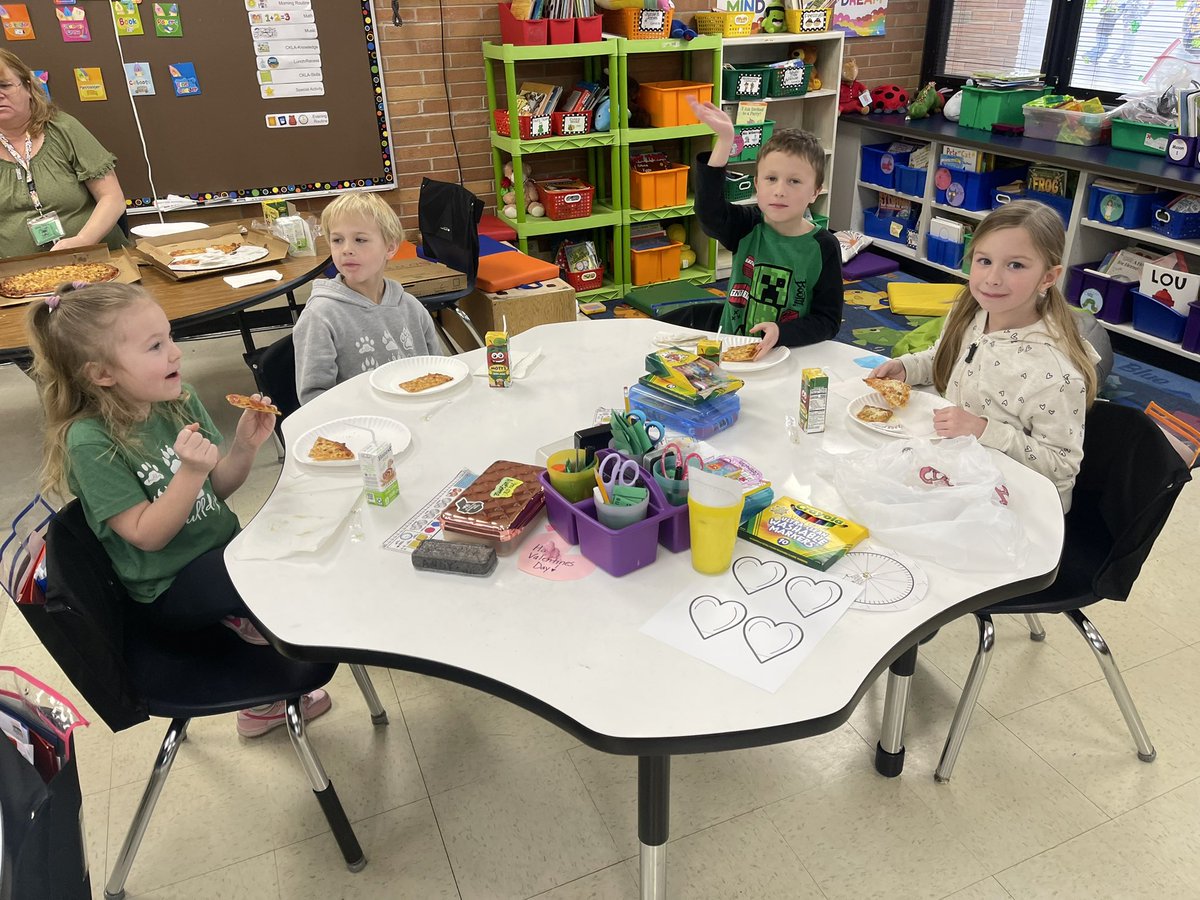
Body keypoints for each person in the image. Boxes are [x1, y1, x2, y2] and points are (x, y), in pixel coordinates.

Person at [27, 282, 331, 737]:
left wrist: (245, 448)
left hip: (219, 557)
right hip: (166, 592)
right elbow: (147, 535)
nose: (176, 353)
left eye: (169, 337)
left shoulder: (179, 400)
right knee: (275, 567)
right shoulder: (90, 441)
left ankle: (262, 623)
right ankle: (263, 705)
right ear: (102, 373)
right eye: (155, 346)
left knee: (296, 536)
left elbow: (216, 492)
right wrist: (188, 473)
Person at [870, 200, 1099, 511]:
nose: (992, 278)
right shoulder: (972, 311)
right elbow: (946, 357)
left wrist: (983, 430)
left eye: (1015, 265)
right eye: (984, 260)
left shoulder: (1055, 374)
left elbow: (1060, 465)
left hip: (1018, 503)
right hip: (956, 467)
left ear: (1048, 277)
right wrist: (907, 368)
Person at [688, 95, 843, 359]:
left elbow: (827, 321)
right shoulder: (747, 226)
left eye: (794, 181)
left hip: (785, 353)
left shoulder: (824, 247)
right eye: (771, 179)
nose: (779, 191)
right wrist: (725, 141)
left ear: (815, 192)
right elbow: (709, 213)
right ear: (757, 185)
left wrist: (782, 332)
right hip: (730, 349)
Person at [293, 191, 443, 403]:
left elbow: (439, 369)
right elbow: (313, 398)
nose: (346, 250)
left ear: (390, 247)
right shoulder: (320, 316)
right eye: (337, 240)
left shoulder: (410, 306)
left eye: (360, 239)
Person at [0, 49, 128, 258]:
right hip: (18, 278)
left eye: (4, 85)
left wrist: (82, 242)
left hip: (96, 263)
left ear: (28, 87)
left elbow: (112, 198)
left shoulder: (64, 129)